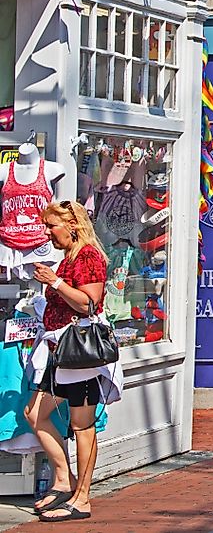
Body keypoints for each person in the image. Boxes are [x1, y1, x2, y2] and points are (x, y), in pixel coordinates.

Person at [26, 201, 123, 523]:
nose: (47, 232)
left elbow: (88, 303)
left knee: (83, 425)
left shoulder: (88, 257)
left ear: (72, 226)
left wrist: (54, 282)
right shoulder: (69, 257)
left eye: (52, 226)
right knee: (35, 413)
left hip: (80, 354)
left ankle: (82, 498)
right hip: (60, 352)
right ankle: (64, 479)